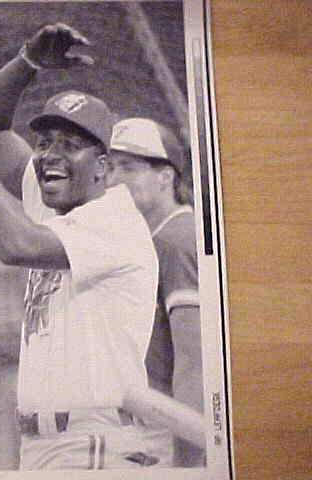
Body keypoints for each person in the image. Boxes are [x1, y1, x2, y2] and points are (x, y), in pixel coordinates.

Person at [0, 23, 170, 470]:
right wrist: (27, 63)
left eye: (71, 145)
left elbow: (15, 245)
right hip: (44, 447)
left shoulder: (114, 220)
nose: (51, 154)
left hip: (94, 444)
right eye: (44, 143)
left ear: (103, 166)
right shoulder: (55, 201)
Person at [105, 117, 204, 467]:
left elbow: (195, 362)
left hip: (168, 438)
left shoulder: (176, 240)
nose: (114, 179)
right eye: (111, 167)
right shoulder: (152, 240)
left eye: (129, 168)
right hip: (147, 429)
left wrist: (192, 462)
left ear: (166, 177)